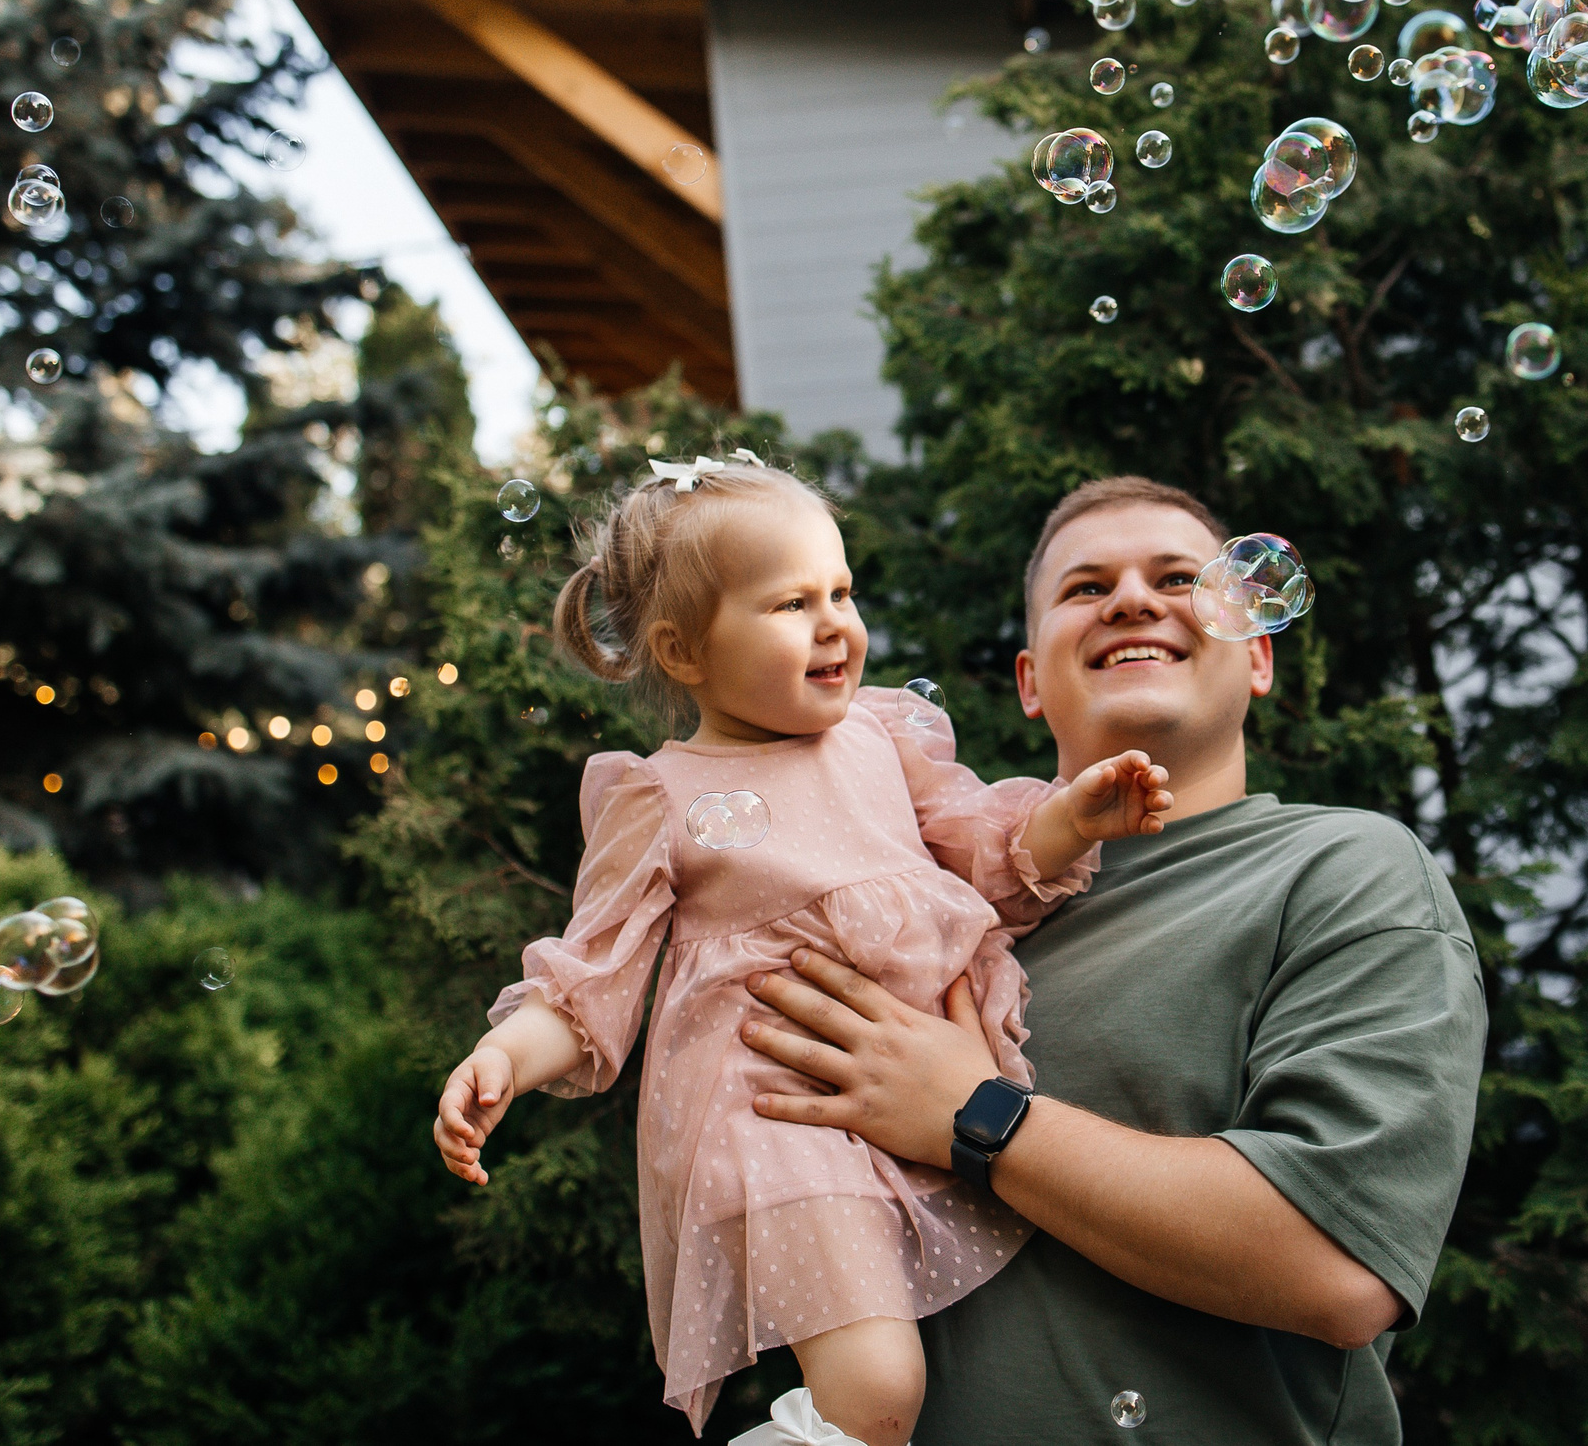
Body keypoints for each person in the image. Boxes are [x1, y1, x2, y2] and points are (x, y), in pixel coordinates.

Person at [428, 452, 1171, 1446]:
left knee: (961, 1357)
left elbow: (989, 858)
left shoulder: (880, 738)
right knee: (876, 1390)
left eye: (842, 592)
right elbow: (587, 980)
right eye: (789, 604)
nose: (834, 625)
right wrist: (503, 1059)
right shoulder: (661, 795)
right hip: (778, 1110)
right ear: (683, 652)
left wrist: (1071, 820)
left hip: (919, 1090)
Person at [737, 476, 1489, 1446]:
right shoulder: (918, 911)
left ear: (1256, 656)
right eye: (1085, 589)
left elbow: (1337, 1267)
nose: (1133, 599)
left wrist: (976, 1116)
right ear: (1029, 681)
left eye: (1178, 578)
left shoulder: (1346, 872)